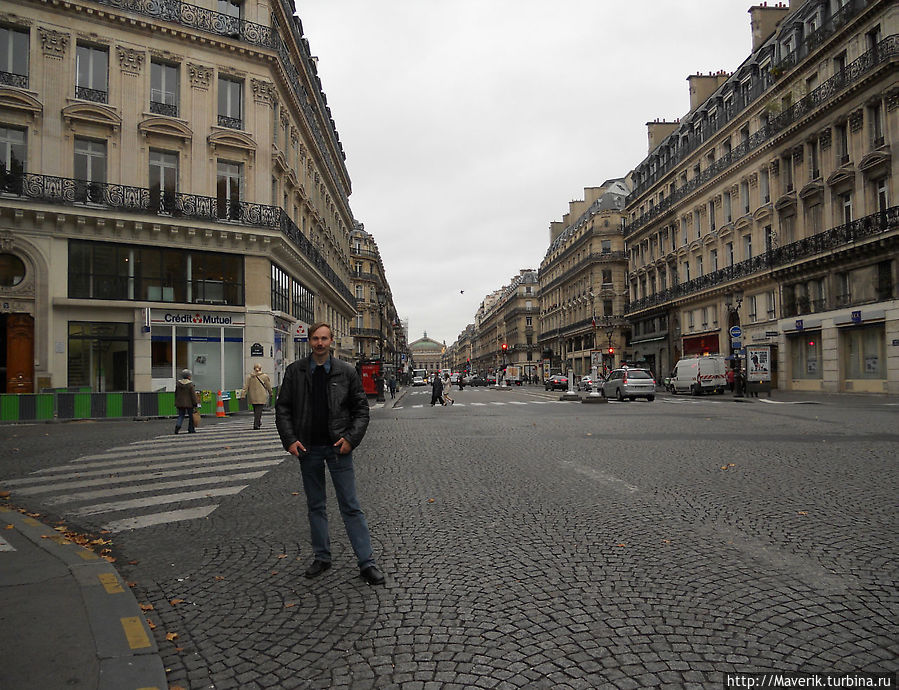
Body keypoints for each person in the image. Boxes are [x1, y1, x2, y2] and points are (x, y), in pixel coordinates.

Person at [274, 322, 384, 586]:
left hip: (338, 446)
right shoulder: (295, 371)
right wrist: (290, 440)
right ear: (310, 341)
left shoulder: (346, 372)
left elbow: (361, 409)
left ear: (331, 341)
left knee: (351, 506)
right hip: (308, 446)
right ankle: (322, 557)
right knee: (316, 506)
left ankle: (366, 562)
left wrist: (351, 439)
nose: (320, 343)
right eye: (315, 339)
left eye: (324, 338)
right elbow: (283, 409)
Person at [242, 363, 272, 430]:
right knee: (259, 410)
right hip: (261, 395)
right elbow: (268, 386)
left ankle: (258, 422)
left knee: (256, 410)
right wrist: (271, 392)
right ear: (260, 368)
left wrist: (243, 394)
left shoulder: (249, 377)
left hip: (252, 396)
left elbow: (245, 386)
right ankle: (256, 424)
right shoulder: (264, 376)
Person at [174, 369, 198, 434]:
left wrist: (176, 401)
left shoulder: (178, 384)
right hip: (189, 403)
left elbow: (176, 393)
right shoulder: (190, 384)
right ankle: (191, 429)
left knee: (181, 415)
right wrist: (195, 403)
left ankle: (178, 426)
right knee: (191, 416)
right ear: (189, 376)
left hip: (180, 403)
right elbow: (193, 395)